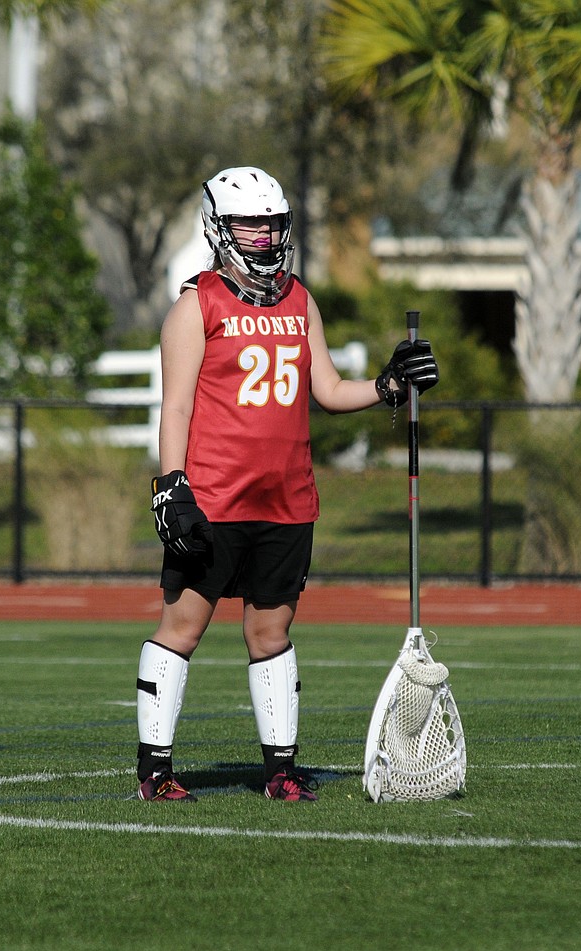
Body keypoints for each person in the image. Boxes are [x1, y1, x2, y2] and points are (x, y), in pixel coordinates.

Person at [136, 166, 439, 802]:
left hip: (286, 499)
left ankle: (281, 771)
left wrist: (387, 385)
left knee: (270, 634)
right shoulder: (196, 306)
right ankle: (155, 772)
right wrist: (171, 485)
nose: (265, 238)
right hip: (214, 498)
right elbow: (177, 407)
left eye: (273, 226)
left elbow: (328, 390)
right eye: (250, 225)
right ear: (219, 228)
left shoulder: (300, 300)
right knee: (182, 629)